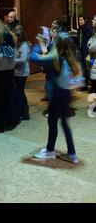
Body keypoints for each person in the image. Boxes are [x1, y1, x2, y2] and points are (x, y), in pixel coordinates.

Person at [31, 32, 81, 164]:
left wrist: (38, 44)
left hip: (57, 95)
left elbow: (35, 58)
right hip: (66, 94)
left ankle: (50, 150)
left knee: (52, 121)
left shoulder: (57, 58)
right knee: (64, 123)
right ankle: (72, 153)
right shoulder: (69, 56)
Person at [13, 25, 31, 120]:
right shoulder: (17, 44)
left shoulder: (24, 45)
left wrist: (12, 61)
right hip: (17, 72)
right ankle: (22, 111)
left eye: (15, 35)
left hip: (22, 72)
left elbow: (23, 59)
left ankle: (24, 112)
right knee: (19, 92)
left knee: (20, 92)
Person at [77, 15, 92, 90]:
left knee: (88, 69)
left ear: (85, 20)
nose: (79, 22)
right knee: (82, 69)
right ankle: (83, 86)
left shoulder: (89, 29)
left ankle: (91, 86)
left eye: (81, 20)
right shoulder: (79, 29)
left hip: (87, 52)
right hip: (80, 52)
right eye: (79, 20)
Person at [87, 14, 96, 93]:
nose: (92, 21)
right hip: (93, 58)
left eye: (94, 20)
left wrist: (90, 47)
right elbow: (90, 41)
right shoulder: (94, 31)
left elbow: (93, 47)